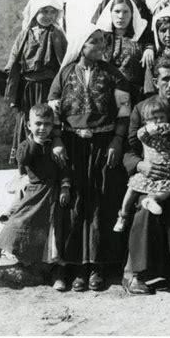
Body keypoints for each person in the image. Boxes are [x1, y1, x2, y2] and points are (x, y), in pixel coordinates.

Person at [47, 24, 131, 292]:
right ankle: (74, 267)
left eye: (102, 41)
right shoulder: (65, 74)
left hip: (104, 145)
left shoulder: (113, 74)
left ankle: (98, 266)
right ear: (82, 45)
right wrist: (58, 140)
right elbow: (53, 110)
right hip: (72, 146)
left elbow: (124, 112)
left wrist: (117, 140)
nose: (100, 46)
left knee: (102, 201)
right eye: (94, 41)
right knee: (75, 201)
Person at [122, 54, 170, 295]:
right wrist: (140, 165)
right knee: (146, 208)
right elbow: (129, 149)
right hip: (150, 175)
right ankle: (135, 273)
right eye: (165, 79)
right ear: (156, 81)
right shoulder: (141, 108)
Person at [0, 104, 70, 292]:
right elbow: (23, 161)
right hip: (34, 191)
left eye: (47, 124)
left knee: (56, 230)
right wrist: (35, 142)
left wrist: (65, 187)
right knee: (17, 222)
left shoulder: (56, 147)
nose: (42, 128)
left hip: (54, 193)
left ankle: (57, 272)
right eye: (38, 124)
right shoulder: (26, 145)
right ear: (29, 126)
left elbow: (65, 168)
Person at [5, 0, 67, 164]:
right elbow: (14, 58)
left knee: (48, 120)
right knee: (28, 121)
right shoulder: (25, 34)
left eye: (51, 12)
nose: (48, 16)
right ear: (34, 13)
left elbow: (65, 59)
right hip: (28, 87)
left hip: (49, 87)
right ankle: (27, 161)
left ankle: (47, 161)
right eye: (43, 11)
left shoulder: (57, 34)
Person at [113, 96, 170, 232]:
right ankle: (123, 215)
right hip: (148, 173)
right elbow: (141, 134)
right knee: (132, 188)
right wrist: (153, 128)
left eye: (162, 117)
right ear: (147, 121)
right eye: (154, 118)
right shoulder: (146, 134)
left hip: (166, 173)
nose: (159, 121)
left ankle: (152, 199)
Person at [96, 0, 153, 105]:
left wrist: (149, 49)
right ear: (110, 13)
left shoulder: (141, 37)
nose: (121, 16)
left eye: (125, 12)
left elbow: (150, 43)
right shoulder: (100, 38)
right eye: (117, 11)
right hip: (107, 93)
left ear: (132, 14)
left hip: (134, 94)